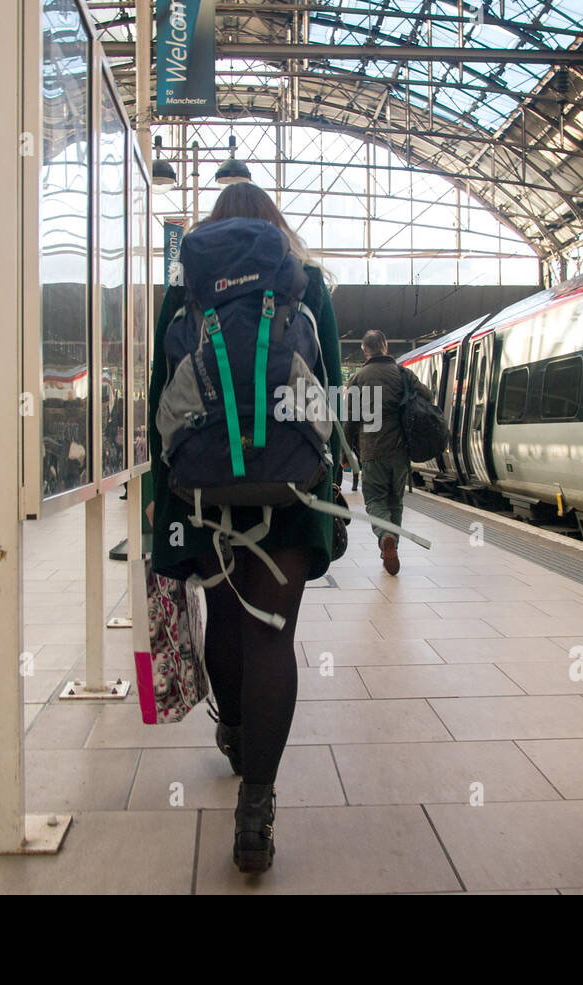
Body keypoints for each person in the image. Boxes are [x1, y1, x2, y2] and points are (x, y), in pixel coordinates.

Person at [147, 182, 343, 874]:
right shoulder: (305, 282)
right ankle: (256, 808)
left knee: (226, 621)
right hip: (288, 489)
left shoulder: (188, 288)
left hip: (200, 489)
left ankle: (233, 729)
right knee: (273, 636)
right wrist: (334, 487)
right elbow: (332, 392)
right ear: (275, 227)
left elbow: (157, 402)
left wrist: (156, 505)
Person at [343, 329, 431, 576]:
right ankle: (393, 546)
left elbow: (350, 421)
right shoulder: (403, 374)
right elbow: (428, 396)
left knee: (375, 501)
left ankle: (385, 537)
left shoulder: (358, 378)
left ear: (364, 350)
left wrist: (344, 454)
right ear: (386, 346)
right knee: (396, 502)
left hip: (371, 451)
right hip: (400, 452)